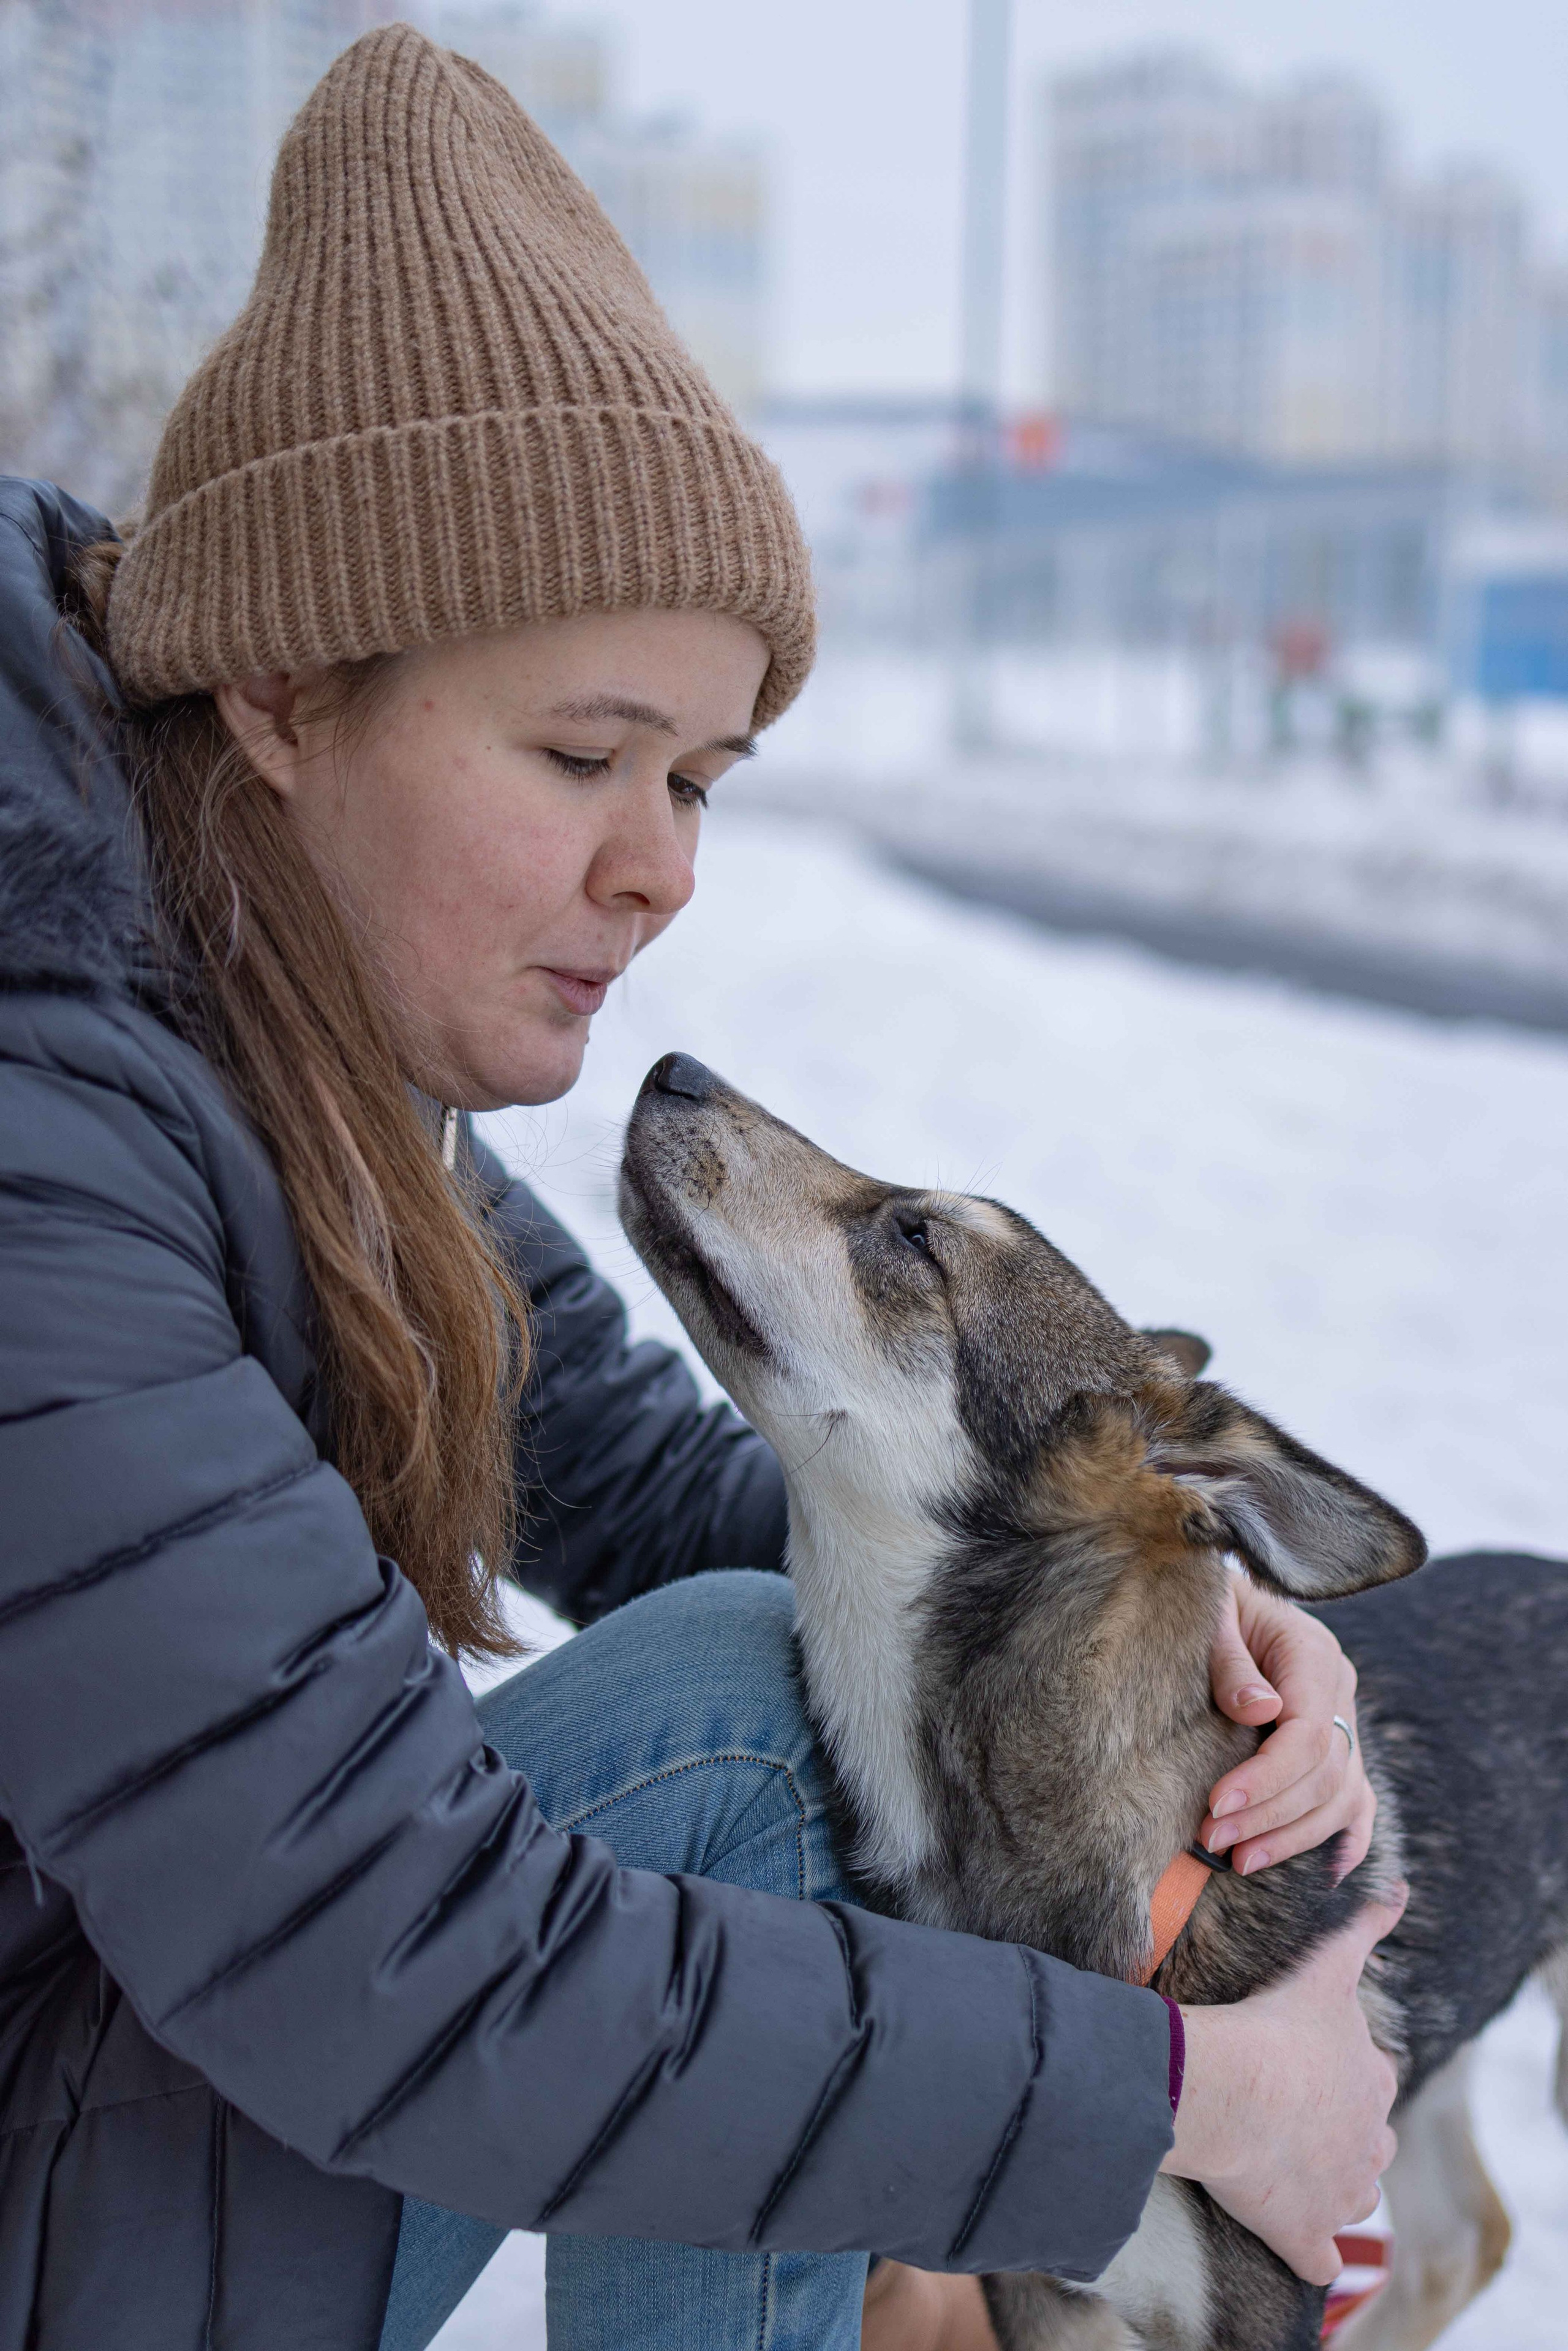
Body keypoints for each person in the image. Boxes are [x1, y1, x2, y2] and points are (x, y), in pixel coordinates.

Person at [0, 27, 1401, 2351]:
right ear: (273, 689)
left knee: (743, 1659)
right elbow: (399, 1952)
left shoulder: (283, 1048)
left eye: (705, 782)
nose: (656, 876)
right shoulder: (49, 1145)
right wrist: (1162, 2092)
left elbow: (659, 1485)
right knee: (739, 1735)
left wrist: (1158, 1618)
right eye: (580, 756)